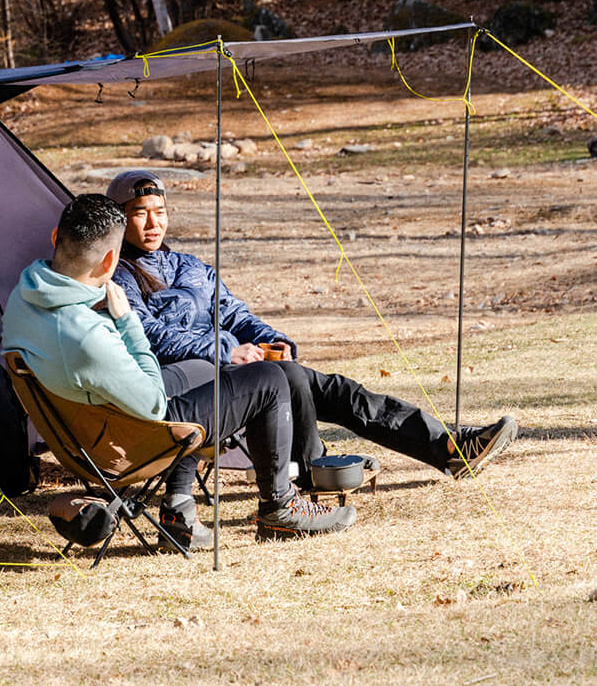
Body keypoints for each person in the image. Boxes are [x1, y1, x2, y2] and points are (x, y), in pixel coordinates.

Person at [105, 171, 519, 486]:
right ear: (122, 221)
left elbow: (233, 313)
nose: (152, 223)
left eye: (159, 213)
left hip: (241, 370)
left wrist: (270, 339)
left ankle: (447, 446)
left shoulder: (190, 267)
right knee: (290, 379)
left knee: (333, 388)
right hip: (193, 387)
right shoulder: (118, 276)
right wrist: (226, 351)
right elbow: (148, 336)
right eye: (140, 214)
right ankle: (315, 469)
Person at [0, 192, 355, 548]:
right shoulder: (86, 335)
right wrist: (127, 323)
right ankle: (280, 509)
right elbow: (153, 404)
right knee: (269, 379)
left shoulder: (25, 294)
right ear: (111, 258)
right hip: (125, 444)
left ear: (54, 237)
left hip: (81, 432)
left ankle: (178, 511)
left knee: (201, 368)